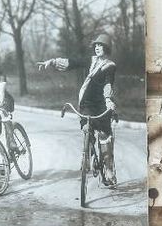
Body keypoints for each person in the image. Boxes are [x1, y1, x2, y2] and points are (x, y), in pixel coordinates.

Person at [39, 34, 118, 185]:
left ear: (106, 48)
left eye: (100, 45)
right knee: (87, 128)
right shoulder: (91, 60)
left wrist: (108, 100)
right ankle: (86, 156)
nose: (97, 48)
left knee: (104, 135)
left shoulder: (110, 65)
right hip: (87, 103)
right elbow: (71, 62)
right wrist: (52, 62)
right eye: (96, 45)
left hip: (102, 104)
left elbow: (108, 83)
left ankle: (108, 170)